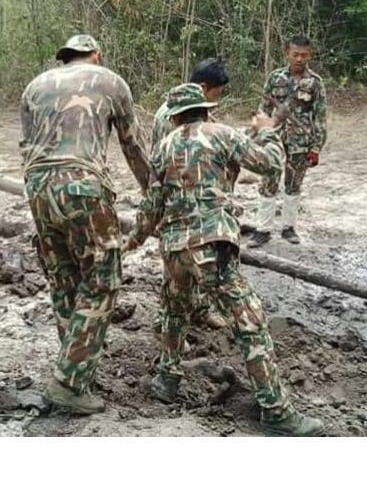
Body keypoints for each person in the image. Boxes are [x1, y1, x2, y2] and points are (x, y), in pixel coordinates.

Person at [124, 83, 324, 436]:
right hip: (210, 245)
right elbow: (271, 166)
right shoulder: (223, 134)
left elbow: (151, 205)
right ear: (205, 109)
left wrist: (135, 238)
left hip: (173, 248)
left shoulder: (163, 147)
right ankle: (275, 410)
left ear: (174, 116)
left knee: (174, 312)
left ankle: (166, 380)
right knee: (250, 323)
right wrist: (268, 134)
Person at [20, 34, 150, 414]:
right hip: (83, 184)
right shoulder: (110, 81)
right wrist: (155, 196)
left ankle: (74, 367)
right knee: (103, 279)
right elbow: (134, 147)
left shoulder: (34, 86)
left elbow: (26, 148)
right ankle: (69, 382)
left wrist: (39, 194)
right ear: (96, 55)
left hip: (38, 188)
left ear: (63, 58)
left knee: (64, 280)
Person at [150, 58, 230, 330]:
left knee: (181, 260)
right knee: (183, 260)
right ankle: (181, 314)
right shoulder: (175, 117)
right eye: (216, 94)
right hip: (184, 199)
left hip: (175, 196)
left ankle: (188, 311)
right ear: (204, 87)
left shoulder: (175, 108)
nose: (215, 102)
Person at [249, 36, 327, 247]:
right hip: (273, 138)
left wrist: (316, 147)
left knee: (293, 184)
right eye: (295, 55)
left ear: (309, 55)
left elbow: (320, 118)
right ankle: (263, 229)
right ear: (287, 54)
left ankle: (288, 228)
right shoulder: (275, 78)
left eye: (304, 55)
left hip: (300, 141)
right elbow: (263, 109)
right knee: (269, 181)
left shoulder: (315, 83)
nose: (300, 59)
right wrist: (259, 135)